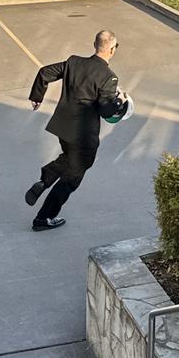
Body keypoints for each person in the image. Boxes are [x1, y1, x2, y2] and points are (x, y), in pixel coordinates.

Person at [25, 30, 127, 231]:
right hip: (84, 136)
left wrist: (37, 96)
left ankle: (45, 180)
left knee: (69, 157)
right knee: (72, 178)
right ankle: (43, 218)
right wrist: (119, 101)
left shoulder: (73, 62)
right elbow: (106, 110)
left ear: (94, 44)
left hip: (63, 127)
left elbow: (45, 72)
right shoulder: (109, 77)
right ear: (112, 50)